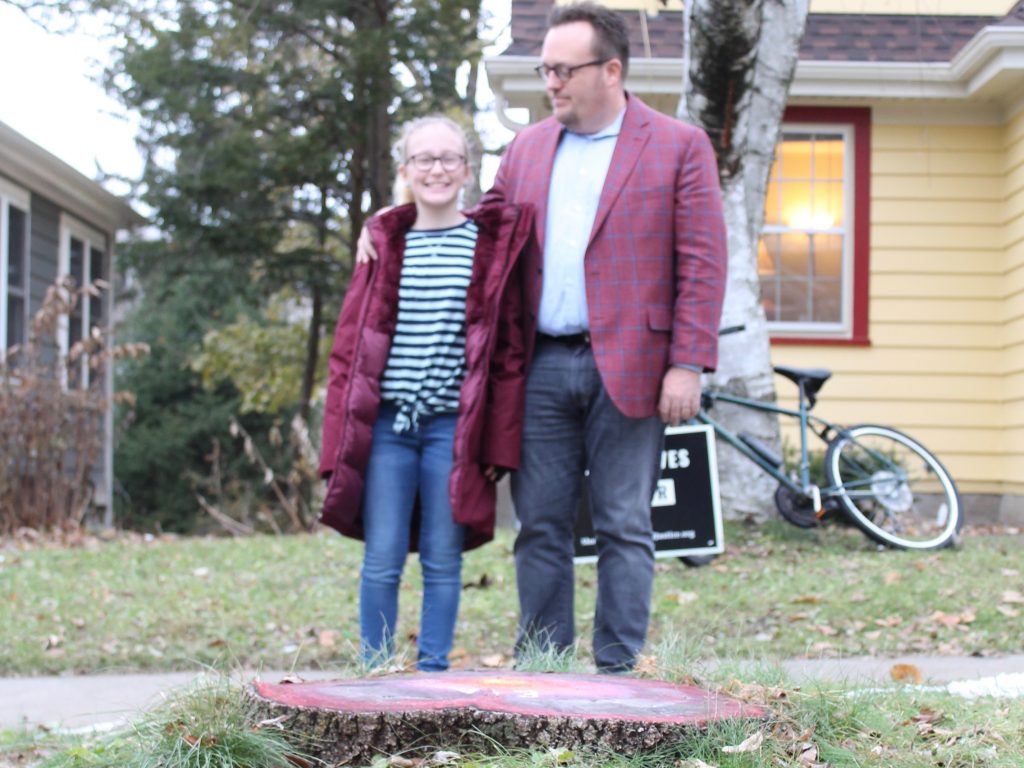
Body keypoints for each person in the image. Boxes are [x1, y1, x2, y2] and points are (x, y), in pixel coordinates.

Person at [358, 2, 727, 673]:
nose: (550, 81)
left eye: (563, 69)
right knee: (540, 527)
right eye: (545, 69)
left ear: (610, 70)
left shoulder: (677, 146)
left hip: (637, 367)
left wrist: (689, 364)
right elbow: (479, 231)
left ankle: (617, 669)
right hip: (540, 370)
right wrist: (391, 220)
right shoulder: (527, 150)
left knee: (623, 524)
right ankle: (545, 668)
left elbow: (702, 262)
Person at [319, 115, 533, 672]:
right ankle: (375, 670)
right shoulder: (383, 243)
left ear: (467, 169)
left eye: (448, 158)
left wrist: (496, 449)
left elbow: (508, 356)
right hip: (388, 428)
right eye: (423, 159)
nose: (436, 169)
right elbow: (348, 349)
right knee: (382, 558)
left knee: (442, 559)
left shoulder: (489, 247)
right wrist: (336, 442)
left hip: (452, 432)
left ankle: (433, 673)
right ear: (405, 170)